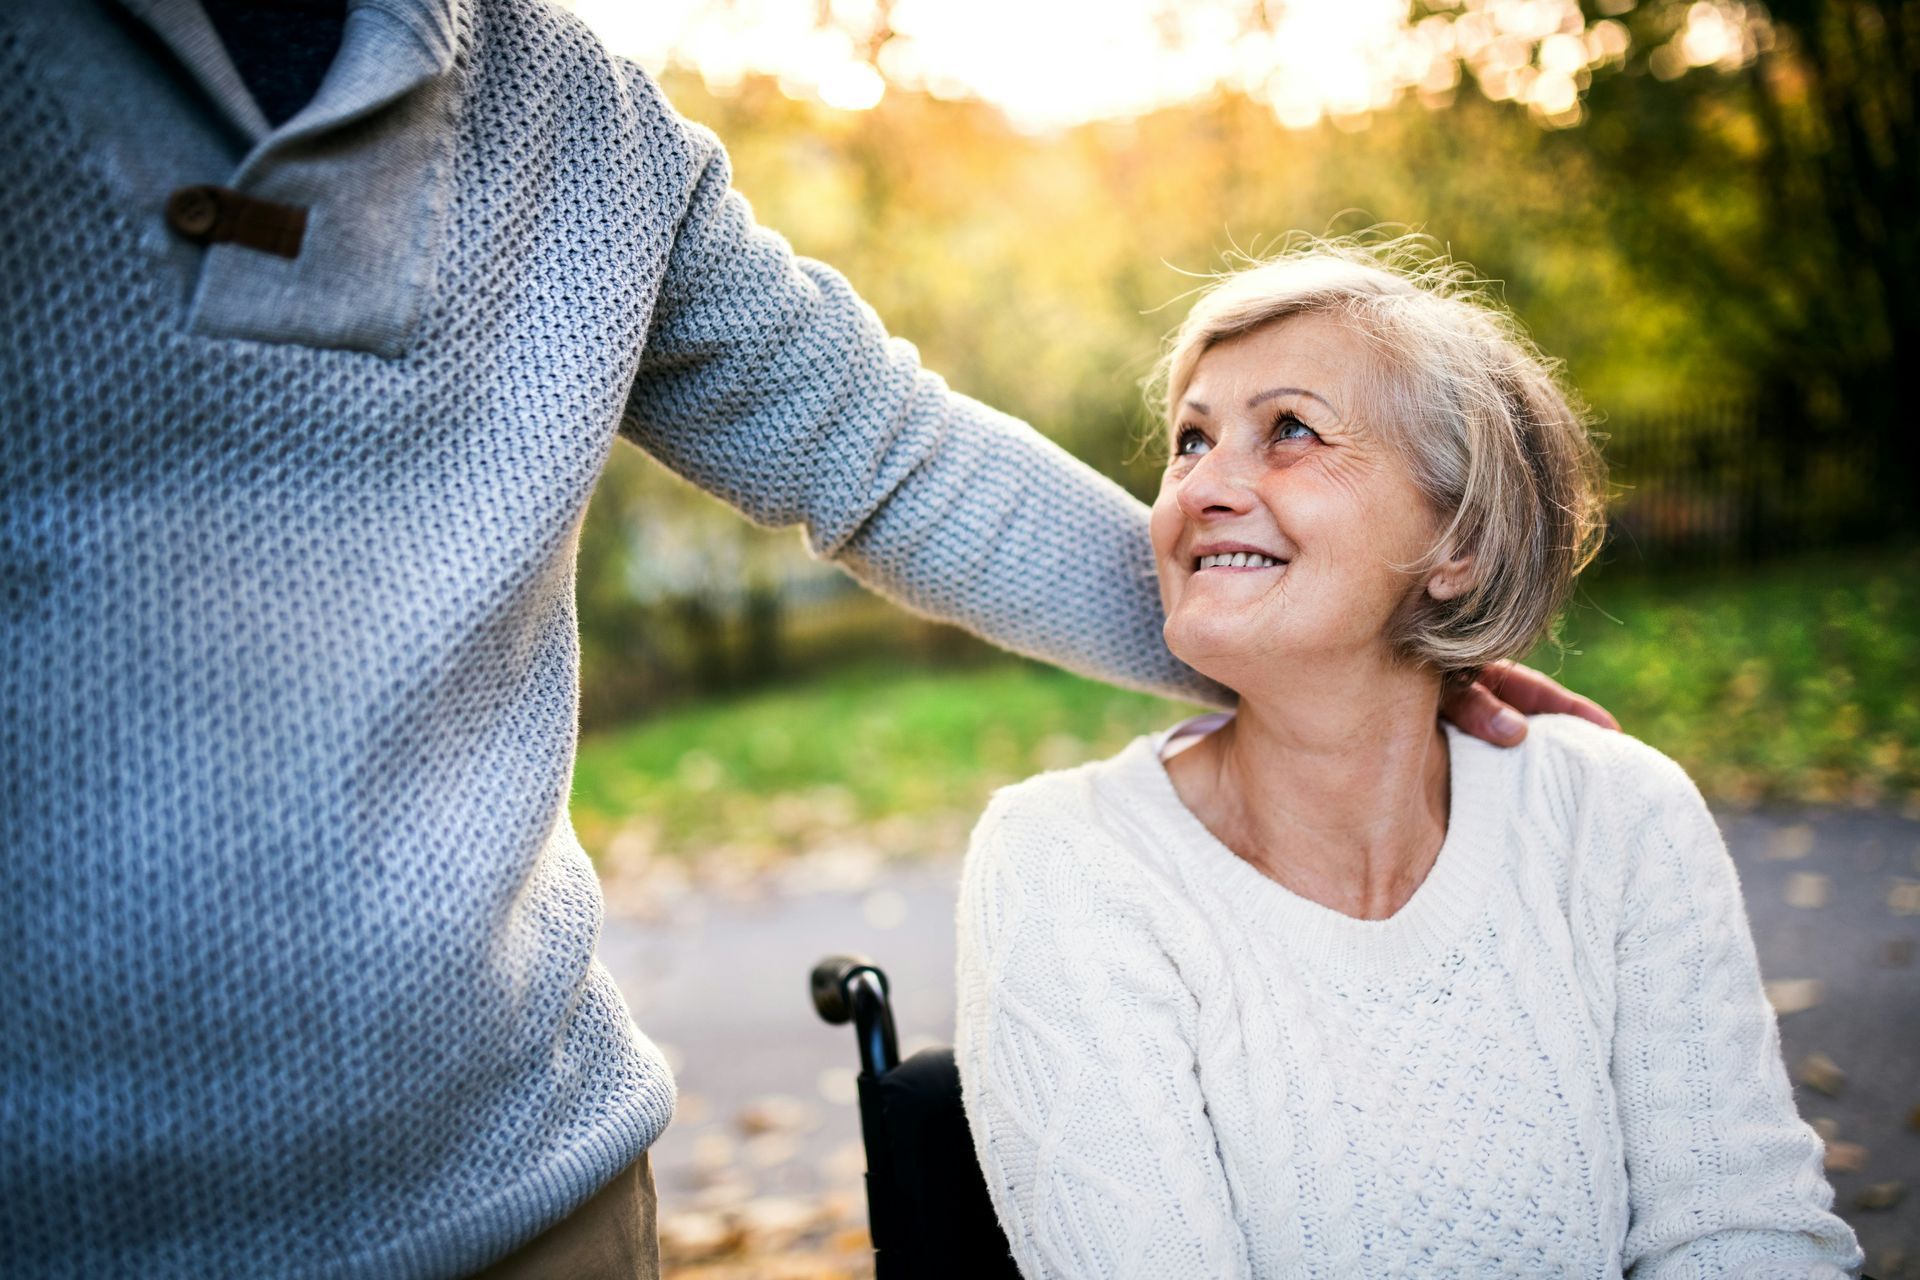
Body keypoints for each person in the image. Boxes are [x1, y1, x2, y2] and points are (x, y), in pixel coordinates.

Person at [0, 3, 1610, 1277]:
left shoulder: (587, 132)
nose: (1222, 471)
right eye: (1200, 440)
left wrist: (1351, 660)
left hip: (525, 1202)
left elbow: (891, 456)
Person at [955, 245, 1864, 1278]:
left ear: (1459, 542)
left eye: (1289, 429)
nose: (1202, 484)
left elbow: (1742, 1230)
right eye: (1189, 441)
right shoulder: (1068, 860)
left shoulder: (1615, 809)